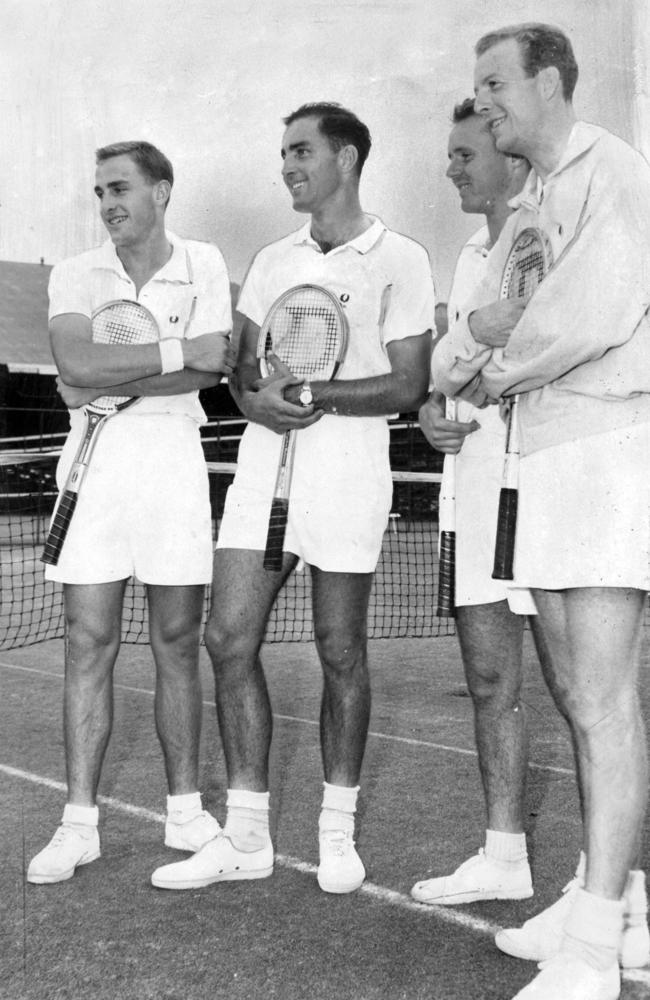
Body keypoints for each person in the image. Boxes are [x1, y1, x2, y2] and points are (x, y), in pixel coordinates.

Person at [151, 102, 435, 895]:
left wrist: (307, 391)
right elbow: (242, 368)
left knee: (340, 652)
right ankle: (246, 836)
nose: (287, 166)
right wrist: (255, 402)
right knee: (226, 639)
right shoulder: (273, 258)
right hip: (260, 475)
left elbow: (409, 382)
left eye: (301, 150)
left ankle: (336, 829)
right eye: (283, 153)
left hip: (348, 480)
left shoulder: (401, 258)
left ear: (346, 158)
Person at [432, 23, 650, 1000]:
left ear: (551, 83)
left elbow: (584, 316)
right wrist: (475, 358)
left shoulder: (614, 172)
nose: (480, 102)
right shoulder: (533, 204)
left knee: (602, 700)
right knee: (575, 692)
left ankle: (594, 954)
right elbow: (457, 342)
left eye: (493, 84)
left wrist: (487, 367)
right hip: (538, 454)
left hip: (603, 448)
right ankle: (614, 899)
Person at [28, 140, 236, 885]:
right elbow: (77, 365)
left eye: (121, 187)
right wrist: (175, 352)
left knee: (177, 639)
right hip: (97, 469)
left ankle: (185, 813)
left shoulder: (202, 262)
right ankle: (78, 824)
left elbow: (217, 364)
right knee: (89, 642)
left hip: (175, 465)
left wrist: (110, 373)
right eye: (99, 192)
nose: (109, 203)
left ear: (162, 191)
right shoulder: (78, 273)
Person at [412, 98, 548, 908]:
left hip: (547, 483)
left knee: (581, 690)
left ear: (511, 154)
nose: (452, 167)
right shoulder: (468, 253)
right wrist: (435, 412)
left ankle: (618, 888)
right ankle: (504, 855)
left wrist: (459, 369)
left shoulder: (553, 229)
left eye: (465, 153)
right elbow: (449, 369)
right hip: (474, 487)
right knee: (491, 677)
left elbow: (530, 348)